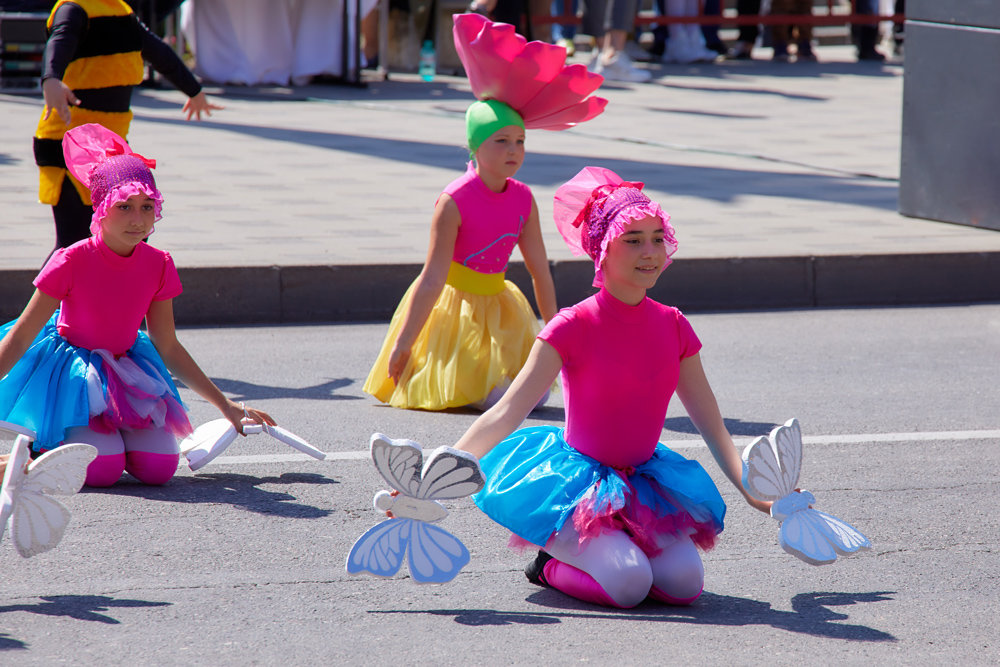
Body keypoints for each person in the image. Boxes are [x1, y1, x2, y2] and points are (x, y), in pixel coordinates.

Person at [451, 167, 771, 608]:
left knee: (684, 585)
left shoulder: (673, 325)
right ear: (601, 249)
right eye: (633, 239)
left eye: (658, 237)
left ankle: (617, 554)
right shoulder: (572, 325)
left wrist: (756, 493)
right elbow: (506, 413)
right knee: (629, 585)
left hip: (645, 486)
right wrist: (437, 473)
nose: (650, 252)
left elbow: (713, 427)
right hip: (575, 486)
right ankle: (549, 564)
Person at [0, 124, 274, 488]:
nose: (137, 219)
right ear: (100, 209)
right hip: (71, 372)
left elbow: (169, 345)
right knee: (102, 469)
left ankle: (105, 439)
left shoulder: (158, 262)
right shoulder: (70, 260)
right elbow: (20, 337)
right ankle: (34, 451)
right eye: (124, 207)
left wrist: (227, 406)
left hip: (127, 371)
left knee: (159, 468)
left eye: (147, 207)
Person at [364, 13, 607, 411]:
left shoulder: (524, 198)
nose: (513, 151)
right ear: (475, 147)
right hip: (454, 311)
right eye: (501, 141)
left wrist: (554, 328)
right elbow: (431, 279)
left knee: (535, 397)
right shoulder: (454, 201)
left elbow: (539, 271)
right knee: (490, 397)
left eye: (519, 141)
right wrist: (404, 343)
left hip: (500, 306)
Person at [34, 0, 223, 252]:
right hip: (72, 143)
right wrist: (51, 79)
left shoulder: (121, 11)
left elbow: (159, 53)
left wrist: (194, 90)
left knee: (131, 239)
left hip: (111, 145)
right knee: (74, 243)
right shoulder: (74, 8)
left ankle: (119, 291)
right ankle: (50, 293)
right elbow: (60, 40)